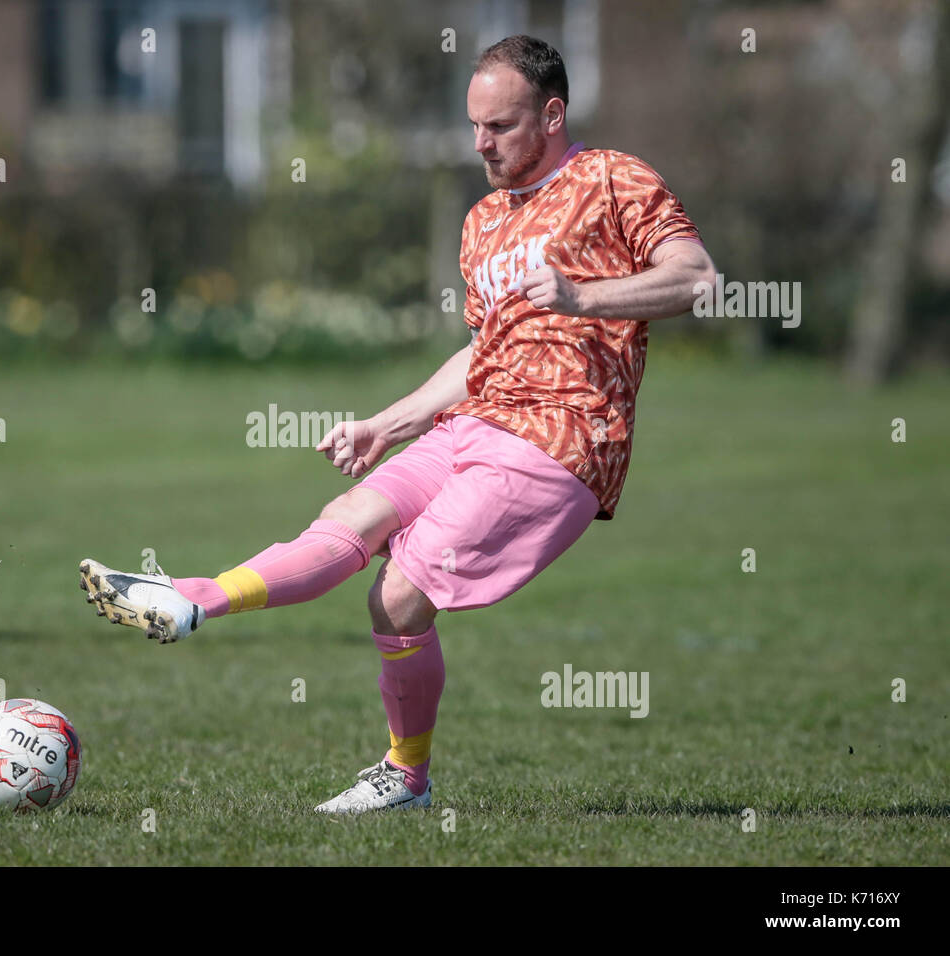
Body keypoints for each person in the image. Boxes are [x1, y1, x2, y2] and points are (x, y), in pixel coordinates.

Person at [79, 35, 717, 813]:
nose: (480, 143)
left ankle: (405, 777)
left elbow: (696, 278)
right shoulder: (483, 219)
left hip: (561, 439)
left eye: (501, 126)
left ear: (552, 115)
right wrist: (390, 421)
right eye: (473, 125)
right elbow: (484, 349)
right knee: (349, 518)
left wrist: (585, 298)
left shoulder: (612, 178)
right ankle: (190, 599)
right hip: (475, 422)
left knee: (399, 596)